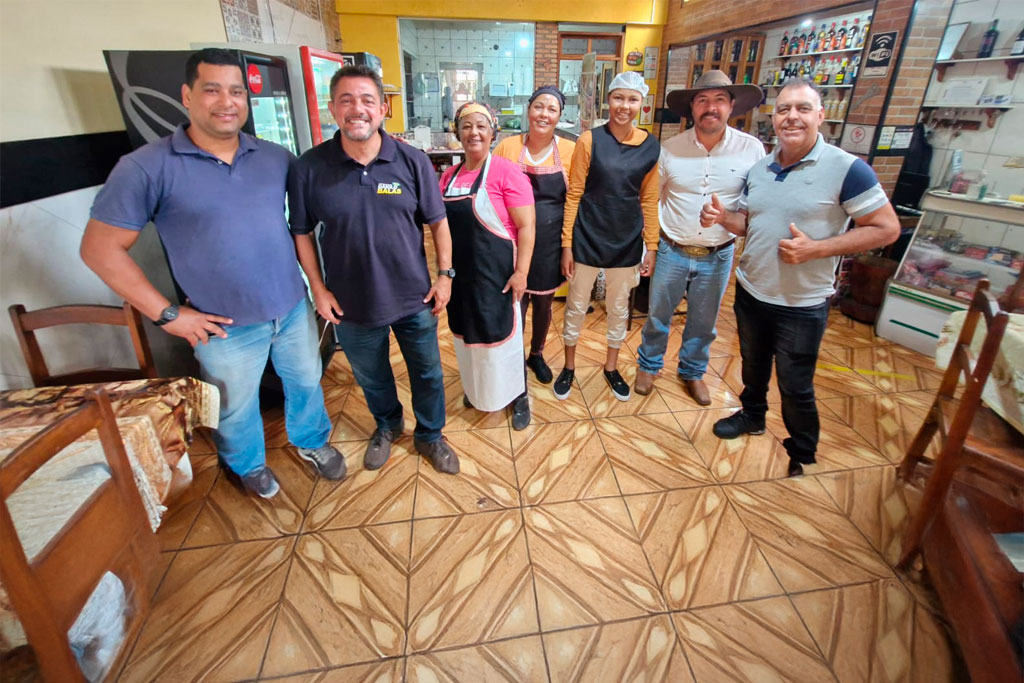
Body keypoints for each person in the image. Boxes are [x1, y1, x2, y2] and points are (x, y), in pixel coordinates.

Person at [80, 48, 344, 499]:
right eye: (212, 90)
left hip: (291, 306)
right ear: (187, 95)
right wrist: (169, 315)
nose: (227, 101)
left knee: (305, 382)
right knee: (236, 405)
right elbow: (100, 250)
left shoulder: (275, 157)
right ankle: (247, 464)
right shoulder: (147, 166)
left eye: (237, 91)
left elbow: (299, 225)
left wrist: (317, 286)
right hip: (222, 326)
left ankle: (311, 441)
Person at [701, 78, 900, 476]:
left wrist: (818, 248)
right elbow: (749, 223)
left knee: (796, 383)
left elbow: (886, 229)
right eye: (784, 109)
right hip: (753, 290)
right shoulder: (760, 168)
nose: (792, 117)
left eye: (803, 109)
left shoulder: (848, 169)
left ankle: (802, 451)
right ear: (773, 118)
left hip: (802, 303)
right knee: (753, 366)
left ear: (820, 116)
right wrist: (724, 218)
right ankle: (752, 416)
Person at [289, 64, 460, 474]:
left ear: (383, 108)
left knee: (428, 374)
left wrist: (445, 276)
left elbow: (438, 222)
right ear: (332, 109)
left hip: (414, 296)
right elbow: (301, 232)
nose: (357, 109)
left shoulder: (412, 161)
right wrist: (319, 288)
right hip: (350, 302)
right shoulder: (309, 167)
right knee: (373, 377)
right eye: (346, 100)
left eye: (367, 100)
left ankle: (431, 435)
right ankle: (387, 425)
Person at [634, 71, 765, 404]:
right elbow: (652, 201)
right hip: (671, 249)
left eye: (719, 99)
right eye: (703, 100)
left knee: (704, 322)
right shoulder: (670, 149)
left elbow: (757, 209)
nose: (711, 108)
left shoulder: (751, 150)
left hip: (718, 254)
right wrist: (648, 246)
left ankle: (692, 373)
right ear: (691, 108)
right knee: (658, 315)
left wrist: (727, 219)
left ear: (731, 106)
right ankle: (649, 366)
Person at [555, 71, 660, 402]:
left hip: (627, 241)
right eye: (618, 98)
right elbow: (574, 194)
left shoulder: (650, 146)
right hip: (587, 236)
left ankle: (611, 367)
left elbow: (649, 199)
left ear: (641, 104)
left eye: (632, 99)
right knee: (576, 305)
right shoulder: (589, 140)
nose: (624, 106)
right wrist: (566, 244)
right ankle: (569, 366)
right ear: (608, 100)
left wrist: (652, 246)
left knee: (618, 308)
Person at [440, 102, 537, 430]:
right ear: (457, 133)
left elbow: (527, 227)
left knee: (503, 339)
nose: (474, 132)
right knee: (469, 337)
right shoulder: (447, 177)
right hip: (461, 278)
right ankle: (480, 390)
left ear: (493, 131)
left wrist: (521, 272)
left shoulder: (507, 172)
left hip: (498, 276)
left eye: (481, 126)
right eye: (466, 126)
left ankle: (519, 394)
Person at [494, 86, 575, 384]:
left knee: (543, 304)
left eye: (551, 109)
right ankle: (511, 355)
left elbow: (575, 200)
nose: (544, 114)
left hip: (550, 244)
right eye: (539, 107)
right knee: (514, 304)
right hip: (510, 243)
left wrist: (569, 245)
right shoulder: (507, 146)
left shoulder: (569, 150)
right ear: (529, 110)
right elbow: (493, 193)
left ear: (559, 116)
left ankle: (536, 354)